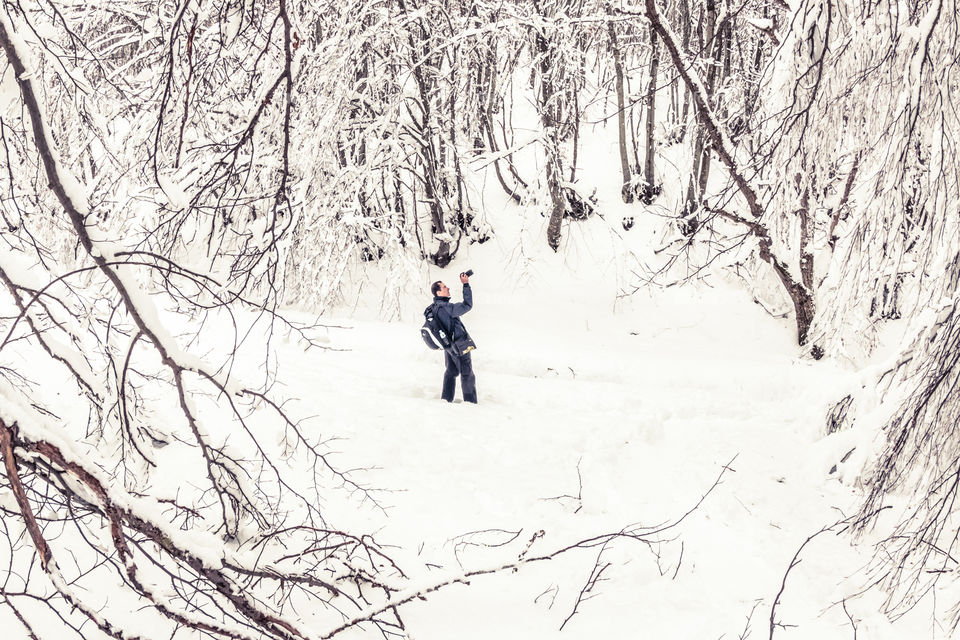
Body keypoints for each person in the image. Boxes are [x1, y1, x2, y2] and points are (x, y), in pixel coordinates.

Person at [430, 273, 477, 403]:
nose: (448, 288)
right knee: (467, 373)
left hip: (449, 345)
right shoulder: (447, 307)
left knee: (451, 371)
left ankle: (446, 399)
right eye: (444, 287)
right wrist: (465, 284)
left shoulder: (434, 307)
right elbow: (467, 305)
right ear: (438, 293)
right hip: (459, 344)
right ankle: (470, 402)